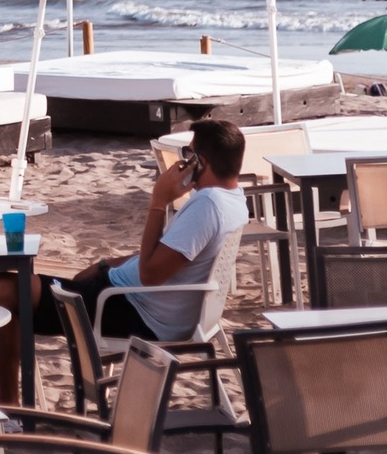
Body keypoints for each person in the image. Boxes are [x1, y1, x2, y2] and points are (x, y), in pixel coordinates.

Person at [66, 119, 251, 341]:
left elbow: (149, 275)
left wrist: (159, 202)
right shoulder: (235, 198)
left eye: (188, 154)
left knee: (30, 293)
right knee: (54, 287)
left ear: (200, 162)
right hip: (127, 296)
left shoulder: (209, 204)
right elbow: (162, 257)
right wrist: (105, 265)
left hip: (131, 307)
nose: (185, 161)